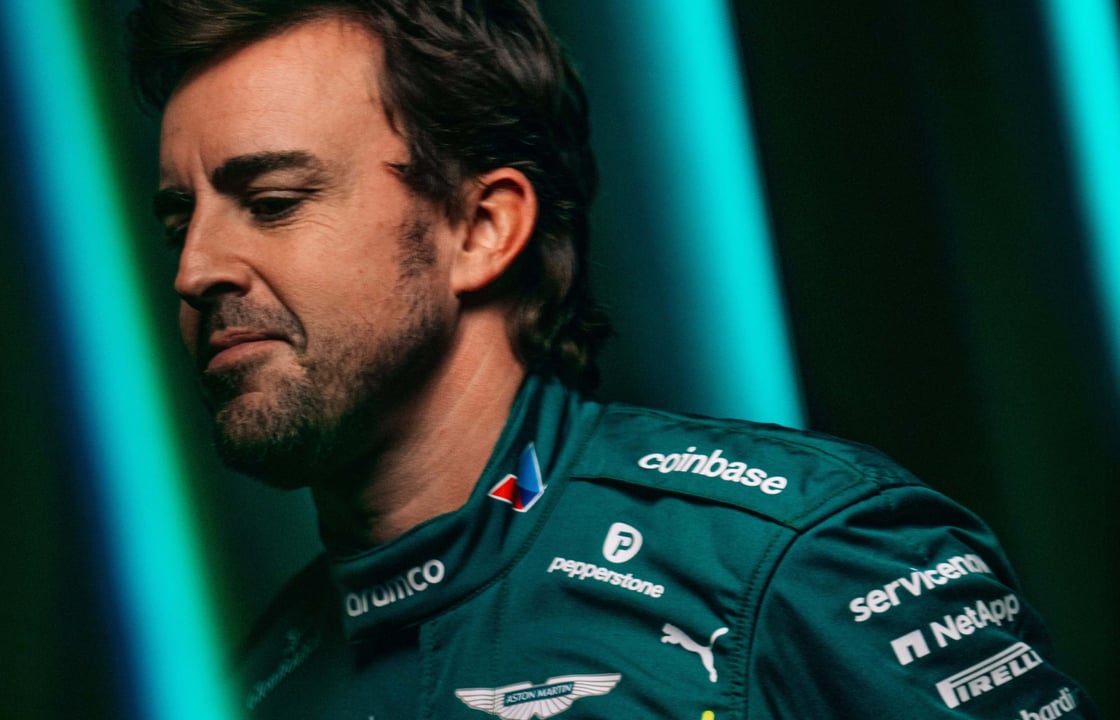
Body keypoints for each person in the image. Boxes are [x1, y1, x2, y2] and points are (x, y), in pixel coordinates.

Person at [128, 0, 1096, 717]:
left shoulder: (789, 561)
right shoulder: (258, 684)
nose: (196, 269)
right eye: (180, 223)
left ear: (481, 227)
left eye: (273, 202)